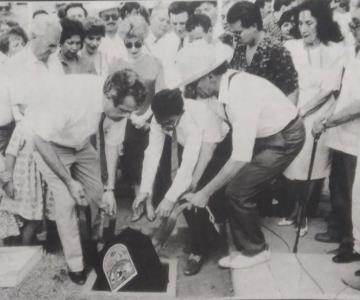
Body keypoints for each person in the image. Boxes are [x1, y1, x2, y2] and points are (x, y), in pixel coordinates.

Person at [179, 40, 305, 269]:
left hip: (285, 138)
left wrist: (205, 193)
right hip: (263, 135)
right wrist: (194, 182)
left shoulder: (241, 93)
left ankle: (256, 250)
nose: (192, 90)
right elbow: (210, 144)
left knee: (237, 190)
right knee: (224, 177)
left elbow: (240, 157)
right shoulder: (213, 96)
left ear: (209, 76)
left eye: (193, 83)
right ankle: (232, 230)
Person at [280, 0, 345, 236]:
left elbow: (329, 88)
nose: (303, 28)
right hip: (293, 107)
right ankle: (294, 209)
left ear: (321, 22)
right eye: (300, 23)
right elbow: (286, 79)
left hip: (320, 112)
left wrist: (303, 112)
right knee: (292, 162)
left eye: (309, 22)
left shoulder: (335, 50)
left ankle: (305, 213)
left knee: (312, 162)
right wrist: (290, 110)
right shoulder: (291, 46)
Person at [109, 15, 165, 221]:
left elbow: (161, 93)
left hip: (152, 119)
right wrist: (131, 115)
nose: (133, 48)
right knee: (132, 162)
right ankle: (137, 202)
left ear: (144, 41)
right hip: (126, 120)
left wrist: (147, 116)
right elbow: (113, 96)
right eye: (129, 44)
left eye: (138, 43)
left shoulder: (155, 63)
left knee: (151, 159)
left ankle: (149, 201)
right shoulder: (116, 64)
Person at [227, 1, 299, 103]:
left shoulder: (276, 50)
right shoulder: (240, 48)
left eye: (239, 33)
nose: (235, 37)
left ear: (254, 26)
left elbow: (292, 92)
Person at [152, 1, 190, 87]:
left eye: (182, 23)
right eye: (174, 23)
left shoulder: (197, 40)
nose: (178, 28)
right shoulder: (164, 41)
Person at [96, 2, 127, 66]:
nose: (110, 20)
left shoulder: (127, 37)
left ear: (119, 17)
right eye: (106, 17)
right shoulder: (95, 39)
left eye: (114, 16)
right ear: (100, 18)